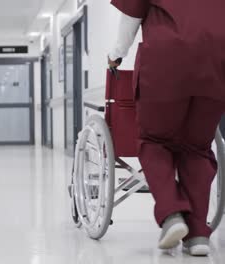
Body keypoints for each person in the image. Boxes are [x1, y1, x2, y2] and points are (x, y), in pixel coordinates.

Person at [107, 0, 225, 256]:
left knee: (154, 141)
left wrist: (115, 54)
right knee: (197, 148)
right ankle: (197, 237)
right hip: (218, 62)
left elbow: (130, 19)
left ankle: (172, 215)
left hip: (167, 61)